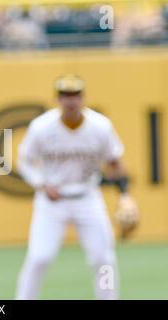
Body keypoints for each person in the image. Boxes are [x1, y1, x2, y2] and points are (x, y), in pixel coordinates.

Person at [15, 74, 139, 300]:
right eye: (64, 95)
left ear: (83, 98)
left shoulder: (100, 126)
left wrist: (125, 194)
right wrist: (41, 183)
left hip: (88, 197)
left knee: (104, 259)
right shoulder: (41, 126)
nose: (70, 101)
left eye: (74, 95)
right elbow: (25, 161)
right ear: (57, 99)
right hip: (52, 201)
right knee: (39, 257)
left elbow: (115, 162)